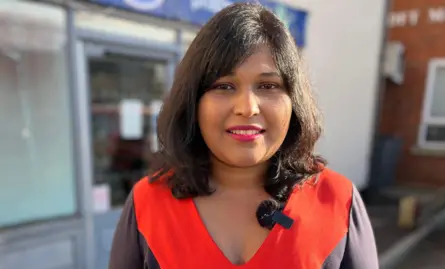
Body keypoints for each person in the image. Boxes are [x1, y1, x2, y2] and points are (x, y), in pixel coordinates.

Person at [109, 3, 378, 269]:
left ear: (294, 101)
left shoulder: (338, 201)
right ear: (193, 101)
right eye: (224, 85)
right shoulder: (148, 203)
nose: (247, 108)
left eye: (268, 85)